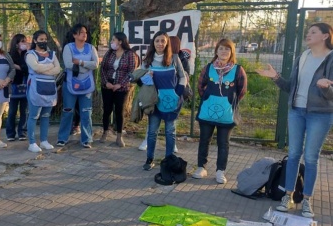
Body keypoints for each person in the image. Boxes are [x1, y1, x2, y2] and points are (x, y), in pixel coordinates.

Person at [257, 22, 333, 218]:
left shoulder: (331, 59)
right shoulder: (302, 57)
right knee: (293, 154)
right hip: (296, 112)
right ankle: (287, 196)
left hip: (320, 114)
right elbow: (290, 86)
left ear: (325, 36)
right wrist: (275, 77)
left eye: (313, 32)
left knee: (310, 158)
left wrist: (327, 88)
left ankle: (306, 200)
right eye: (307, 32)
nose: (308, 35)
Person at [192, 39, 247, 184]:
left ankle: (220, 171)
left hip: (226, 113)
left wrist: (229, 101)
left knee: (223, 143)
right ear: (216, 51)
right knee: (204, 140)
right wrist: (208, 96)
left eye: (227, 49)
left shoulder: (238, 70)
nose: (224, 52)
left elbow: (242, 90)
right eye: (221, 49)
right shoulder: (208, 68)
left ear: (232, 52)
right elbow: (200, 85)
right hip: (208, 111)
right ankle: (201, 167)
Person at [140, 31, 187, 171]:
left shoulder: (174, 58)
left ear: (167, 43)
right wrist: (147, 76)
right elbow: (141, 81)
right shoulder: (147, 60)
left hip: (171, 101)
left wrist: (177, 93)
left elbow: (182, 76)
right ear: (153, 43)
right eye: (157, 41)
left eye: (163, 41)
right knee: (152, 132)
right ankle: (149, 159)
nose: (160, 44)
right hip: (155, 101)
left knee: (170, 131)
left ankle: (169, 160)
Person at [56, 24, 99, 148]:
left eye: (85, 32)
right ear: (74, 35)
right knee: (68, 111)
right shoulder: (68, 48)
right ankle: (62, 138)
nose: (84, 35)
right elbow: (69, 64)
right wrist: (87, 66)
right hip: (71, 84)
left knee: (86, 112)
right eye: (81, 33)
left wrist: (80, 62)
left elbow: (95, 64)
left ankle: (86, 139)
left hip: (86, 85)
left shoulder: (91, 48)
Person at [99, 32, 138, 147]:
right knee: (107, 110)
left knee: (119, 111)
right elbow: (103, 69)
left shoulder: (130, 54)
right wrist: (106, 82)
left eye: (113, 40)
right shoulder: (110, 53)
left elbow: (131, 71)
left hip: (122, 87)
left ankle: (119, 136)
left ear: (120, 41)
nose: (111, 42)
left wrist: (120, 84)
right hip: (107, 86)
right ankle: (105, 132)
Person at [25, 30, 61, 152]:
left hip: (50, 88)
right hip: (35, 88)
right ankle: (32, 142)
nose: (43, 41)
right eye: (41, 39)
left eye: (45, 39)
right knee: (34, 116)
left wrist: (43, 69)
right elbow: (35, 67)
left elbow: (58, 69)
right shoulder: (30, 55)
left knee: (46, 115)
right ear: (35, 40)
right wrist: (50, 66)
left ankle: (44, 141)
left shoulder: (52, 54)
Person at [6, 34, 29, 142]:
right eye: (22, 41)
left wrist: (17, 67)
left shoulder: (27, 54)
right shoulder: (9, 55)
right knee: (12, 111)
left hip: (25, 85)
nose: (24, 43)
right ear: (16, 44)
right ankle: (10, 133)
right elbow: (9, 68)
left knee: (24, 111)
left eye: (25, 41)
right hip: (13, 86)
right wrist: (18, 68)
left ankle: (22, 132)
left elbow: (27, 69)